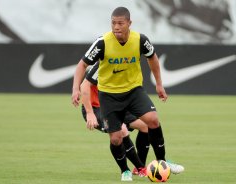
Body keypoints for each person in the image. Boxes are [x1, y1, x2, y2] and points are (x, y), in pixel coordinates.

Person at [72, 7, 184, 181]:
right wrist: (76, 91)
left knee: (152, 121)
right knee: (117, 138)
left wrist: (159, 85)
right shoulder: (102, 43)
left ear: (129, 24)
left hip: (133, 92)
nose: (116, 27)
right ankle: (125, 170)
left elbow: (152, 57)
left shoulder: (140, 40)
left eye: (120, 23)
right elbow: (81, 66)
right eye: (113, 23)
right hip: (108, 96)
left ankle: (161, 162)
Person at [80, 61, 150, 177]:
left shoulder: (122, 64)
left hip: (115, 104)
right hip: (96, 109)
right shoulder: (101, 66)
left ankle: (140, 167)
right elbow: (84, 85)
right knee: (121, 132)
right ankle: (128, 170)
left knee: (145, 126)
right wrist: (89, 112)